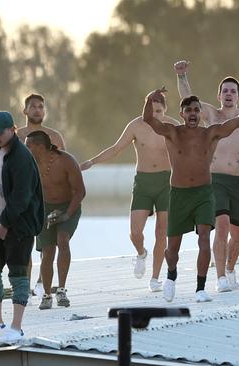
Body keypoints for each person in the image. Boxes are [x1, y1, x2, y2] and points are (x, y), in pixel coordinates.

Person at [142, 83, 239, 303]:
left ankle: (200, 287)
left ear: (200, 113)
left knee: (204, 238)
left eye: (197, 110)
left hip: (204, 193)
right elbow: (149, 120)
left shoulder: (211, 133)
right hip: (178, 194)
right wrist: (150, 99)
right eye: (189, 110)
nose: (193, 114)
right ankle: (171, 276)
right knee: (173, 248)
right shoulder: (172, 132)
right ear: (182, 114)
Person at [174, 60, 239, 292]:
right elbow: (189, 100)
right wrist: (182, 76)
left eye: (233, 91)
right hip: (215, 180)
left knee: (238, 235)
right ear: (218, 95)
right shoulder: (211, 115)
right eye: (224, 90)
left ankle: (230, 268)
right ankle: (220, 278)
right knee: (222, 224)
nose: (228, 94)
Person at [80, 93, 179, 292]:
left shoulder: (173, 125)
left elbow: (189, 148)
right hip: (143, 181)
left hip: (166, 182)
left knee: (162, 232)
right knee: (135, 232)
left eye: (159, 111)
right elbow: (116, 148)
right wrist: (92, 161)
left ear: (165, 110)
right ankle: (141, 253)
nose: (155, 115)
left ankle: (155, 278)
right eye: (151, 111)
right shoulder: (135, 125)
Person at [0, 111, 43, 344]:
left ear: (12, 130)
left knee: (17, 273)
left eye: (0, 132)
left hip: (20, 225)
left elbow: (21, 196)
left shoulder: (21, 157)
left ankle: (16, 328)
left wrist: (5, 223)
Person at [25, 131, 86, 309]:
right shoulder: (29, 164)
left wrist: (67, 214)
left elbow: (80, 191)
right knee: (47, 251)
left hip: (69, 206)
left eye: (29, 146)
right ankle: (46, 294)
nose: (26, 149)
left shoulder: (65, 161)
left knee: (62, 240)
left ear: (41, 147)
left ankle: (61, 290)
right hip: (44, 209)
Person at [16, 93, 66, 298]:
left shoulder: (54, 137)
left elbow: (64, 165)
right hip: (25, 196)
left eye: (41, 107)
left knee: (48, 244)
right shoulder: (16, 136)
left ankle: (41, 281)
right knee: (25, 242)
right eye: (33, 107)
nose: (37, 110)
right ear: (25, 111)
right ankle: (25, 287)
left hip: (49, 196)